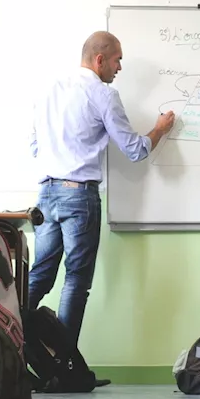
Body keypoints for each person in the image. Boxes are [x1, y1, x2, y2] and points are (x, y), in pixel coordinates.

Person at [28, 32, 175, 344]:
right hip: (78, 196)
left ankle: (6, 348)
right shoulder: (102, 94)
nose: (119, 67)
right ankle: (65, 366)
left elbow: (34, 145)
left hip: (45, 195)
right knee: (77, 279)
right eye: (117, 59)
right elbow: (134, 149)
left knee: (39, 276)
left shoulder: (49, 90)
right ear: (99, 60)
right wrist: (159, 129)